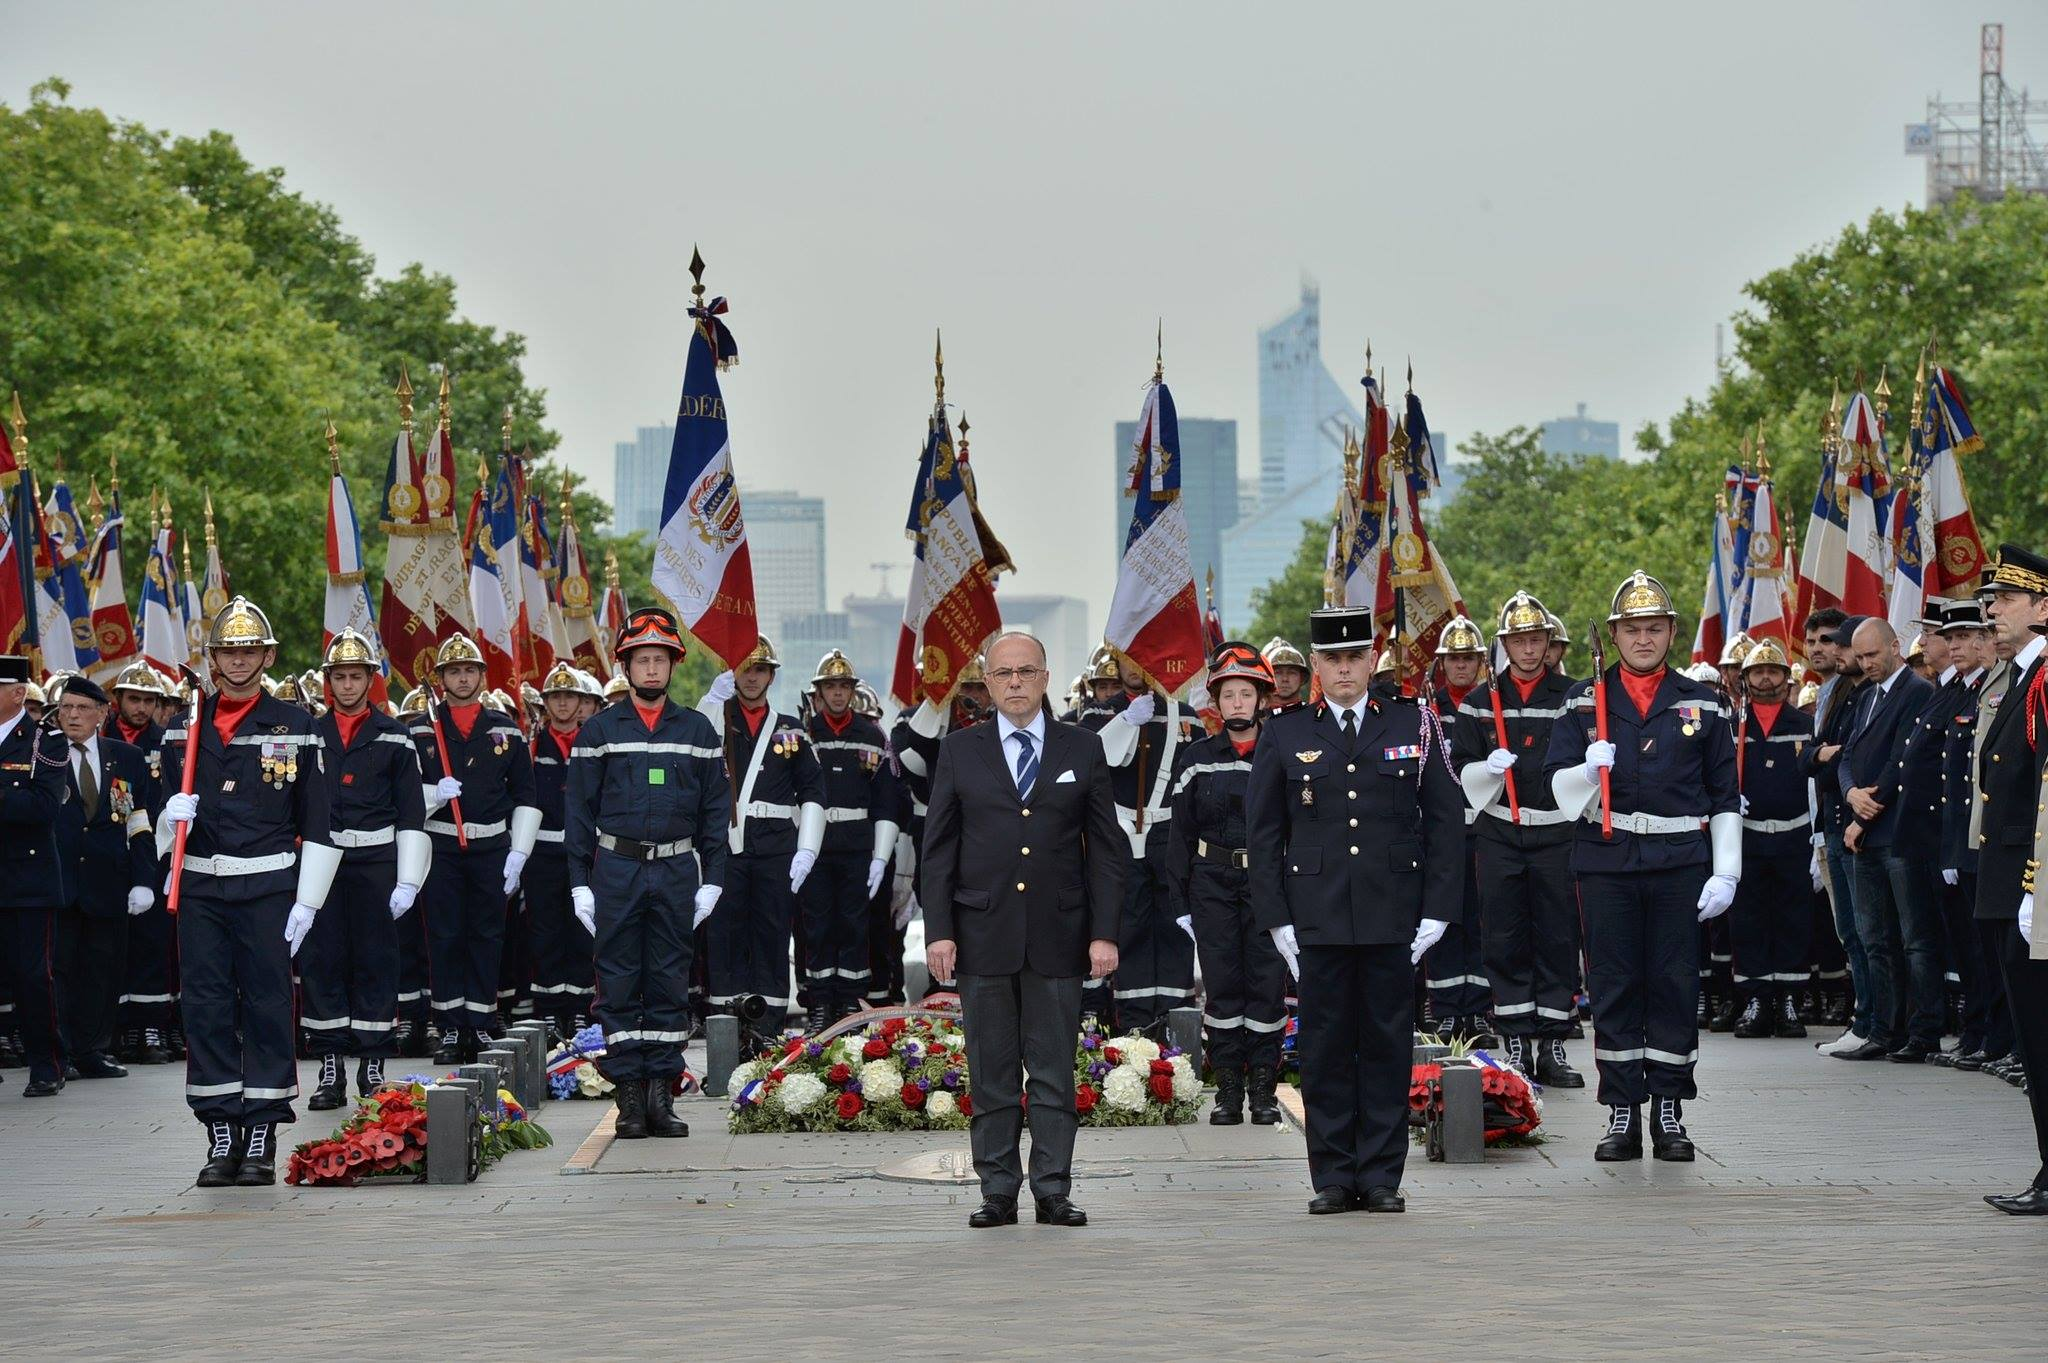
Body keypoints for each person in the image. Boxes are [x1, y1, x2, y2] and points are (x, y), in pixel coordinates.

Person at [1247, 606, 1464, 1214]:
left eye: (1354, 658)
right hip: (1315, 915)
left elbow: (1446, 819)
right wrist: (1276, 917)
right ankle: (1333, 1177)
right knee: (1325, 1047)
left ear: (1372, 660)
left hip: (1394, 912)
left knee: (1389, 1045)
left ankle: (1382, 1177)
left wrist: (1438, 911)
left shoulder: (1414, 723)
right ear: (1315, 665)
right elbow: (1264, 832)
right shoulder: (1285, 730)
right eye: (1332, 660)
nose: (1344, 670)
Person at [921, 630, 1122, 1229]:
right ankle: (999, 1191)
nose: (1014, 682)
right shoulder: (961, 751)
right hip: (983, 934)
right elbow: (938, 851)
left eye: (1025, 671)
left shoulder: (1081, 749)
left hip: (1060, 935)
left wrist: (1104, 932)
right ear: (986, 682)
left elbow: (1106, 852)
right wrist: (939, 931)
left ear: (1045, 677)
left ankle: (1054, 1190)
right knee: (992, 1073)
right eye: (1003, 673)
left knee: (1055, 1071)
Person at [1545, 571, 1740, 1162]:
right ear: (1615, 634)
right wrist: (1585, 769)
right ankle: (1624, 1108)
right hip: (1606, 863)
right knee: (1613, 984)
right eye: (1632, 629)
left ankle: (1671, 1107)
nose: (1644, 639)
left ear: (1672, 632)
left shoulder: (1702, 703)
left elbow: (1725, 796)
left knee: (1675, 984)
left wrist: (1726, 870)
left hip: (1679, 861)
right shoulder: (1582, 701)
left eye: (1654, 628)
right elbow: (1557, 791)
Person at [157, 597, 341, 1186]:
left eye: (249, 651)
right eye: (228, 651)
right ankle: (219, 1131)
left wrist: (308, 901)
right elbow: (160, 826)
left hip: (266, 884)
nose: (238, 661)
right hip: (203, 887)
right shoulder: (183, 728)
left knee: (266, 1003)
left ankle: (260, 1127)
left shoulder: (296, 725)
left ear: (267, 657)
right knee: (205, 1004)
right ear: (213, 658)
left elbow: (317, 820)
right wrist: (169, 816)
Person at [567, 607, 729, 1140]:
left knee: (667, 979)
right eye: (643, 660)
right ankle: (629, 1097)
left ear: (673, 666)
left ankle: (662, 1093)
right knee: (617, 980)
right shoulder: (598, 730)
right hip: (617, 868)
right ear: (628, 666)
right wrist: (578, 883)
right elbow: (578, 814)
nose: (652, 669)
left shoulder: (699, 730)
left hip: (677, 869)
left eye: (660, 659)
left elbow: (714, 812)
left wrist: (713, 879)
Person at [1454, 591, 1582, 1084]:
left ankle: (1551, 1043)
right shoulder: (1478, 702)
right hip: (1501, 831)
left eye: (1536, 640)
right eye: (1519, 641)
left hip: (1555, 832)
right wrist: (1485, 769)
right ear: (1504, 644)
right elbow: (1459, 768)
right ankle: (1513, 1041)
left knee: (1556, 934)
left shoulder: (1573, 695)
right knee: (1503, 935)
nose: (1528, 650)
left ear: (1549, 642)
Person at [304, 629, 428, 1108]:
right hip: (321, 860)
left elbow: (411, 810)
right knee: (322, 959)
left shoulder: (395, 736)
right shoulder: (309, 734)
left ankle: (373, 1061)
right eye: (340, 677)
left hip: (377, 859)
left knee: (378, 959)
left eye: (357, 676)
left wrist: (408, 879)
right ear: (328, 682)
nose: (349, 685)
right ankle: (330, 1063)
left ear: (371, 680)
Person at [1164, 641, 1286, 1125]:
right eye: (1228, 694)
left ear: (1261, 699)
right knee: (1222, 985)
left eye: (1245, 693)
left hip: (1267, 883)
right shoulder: (1196, 757)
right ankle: (1228, 1089)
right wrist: (1181, 900)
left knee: (1266, 984)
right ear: (1216, 702)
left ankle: (1263, 1090)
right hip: (1211, 883)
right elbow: (1179, 834)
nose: (1237, 703)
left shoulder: (1281, 752)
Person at [410, 633, 541, 1065]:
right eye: (453, 671)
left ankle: (481, 1021)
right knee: (445, 935)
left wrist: (519, 855)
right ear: (441, 678)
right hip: (442, 845)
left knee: (488, 935)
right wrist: (433, 793)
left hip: (490, 847)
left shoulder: (506, 730)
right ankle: (449, 1028)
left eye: (469, 670)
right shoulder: (423, 730)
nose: (462, 678)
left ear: (482, 677)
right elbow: (404, 796)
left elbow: (525, 796)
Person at [698, 637, 825, 1045]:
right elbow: (694, 750)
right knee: (724, 936)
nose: (751, 678)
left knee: (772, 936)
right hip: (726, 848)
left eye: (759, 670)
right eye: (744, 668)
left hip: (775, 849)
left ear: (771, 676)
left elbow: (813, 793)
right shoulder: (717, 718)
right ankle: (726, 1034)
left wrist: (807, 848)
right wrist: (710, 701)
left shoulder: (790, 729)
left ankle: (767, 1031)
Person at [1975, 546, 2048, 1214]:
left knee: (2042, 1037)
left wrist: (2034, 885)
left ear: (2043, 606)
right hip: (2014, 884)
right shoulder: (2019, 677)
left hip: (2034, 888)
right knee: (2034, 1038)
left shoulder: (2045, 678)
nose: (1992, 609)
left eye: (2006, 598)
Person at [1835, 618, 1940, 1061]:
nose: (1866, 663)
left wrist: (1864, 810)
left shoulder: (1916, 690)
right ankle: (1884, 1029)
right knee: (1874, 937)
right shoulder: (1864, 695)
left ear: (1896, 647)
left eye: (1873, 654)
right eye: (1860, 657)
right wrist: (1849, 792)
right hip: (1865, 833)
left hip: (1896, 833)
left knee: (1915, 938)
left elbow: (1904, 760)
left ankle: (1924, 1032)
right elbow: (1845, 754)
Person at [1092, 651, 1203, 1036]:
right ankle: (1136, 1032)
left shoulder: (1184, 714)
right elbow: (1090, 763)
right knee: (1130, 928)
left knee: (1174, 928)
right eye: (1127, 658)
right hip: (1120, 835)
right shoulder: (1099, 715)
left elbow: (1196, 781)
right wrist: (1124, 722)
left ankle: (1176, 1030)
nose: (1134, 667)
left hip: (1170, 832)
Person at [50, 676, 155, 1081]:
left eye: (81, 708)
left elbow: (138, 819)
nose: (72, 716)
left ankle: (92, 1050)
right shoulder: (46, 754)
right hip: (57, 882)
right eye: (65, 708)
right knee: (59, 971)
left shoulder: (125, 757)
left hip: (109, 880)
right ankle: (59, 1054)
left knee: (102, 968)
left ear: (101, 714)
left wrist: (144, 878)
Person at [799, 650, 900, 1031]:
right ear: (819, 692)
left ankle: (851, 1007)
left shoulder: (872, 735)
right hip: (818, 850)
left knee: (855, 927)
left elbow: (886, 799)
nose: (838, 694)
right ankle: (821, 1004)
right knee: (818, 927)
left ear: (852, 691)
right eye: (831, 687)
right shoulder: (807, 734)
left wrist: (880, 857)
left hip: (857, 848)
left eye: (844, 686)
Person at [1725, 640, 1817, 1038]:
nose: (1766, 677)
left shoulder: (1804, 725)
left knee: (1794, 917)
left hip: (1794, 835)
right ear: (1744, 679)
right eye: (1757, 672)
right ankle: (1757, 998)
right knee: (1748, 919)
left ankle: (1789, 999)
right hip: (1747, 838)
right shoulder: (1731, 726)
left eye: (1774, 671)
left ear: (1786, 678)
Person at [1936, 600, 2011, 1071]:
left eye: (1968, 636)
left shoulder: (1997, 689)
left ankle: (2000, 1039)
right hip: (1965, 839)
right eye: (1952, 638)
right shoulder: (1967, 693)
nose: (1957, 645)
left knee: (1995, 952)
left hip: (1991, 840)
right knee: (1973, 947)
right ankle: (1983, 1033)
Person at [1803, 611, 1871, 1053]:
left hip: (1854, 825)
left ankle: (1871, 1021)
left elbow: (1845, 755)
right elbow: (1808, 759)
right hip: (1829, 825)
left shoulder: (1858, 691)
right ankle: (1865, 1017)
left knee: (1866, 932)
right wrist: (1816, 755)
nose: (1822, 649)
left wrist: (1820, 757)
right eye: (1814, 641)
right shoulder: (1828, 691)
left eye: (1832, 641)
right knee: (1848, 930)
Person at [1424, 615, 1493, 1043]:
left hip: (1486, 828)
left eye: (1469, 658)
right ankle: (1447, 1008)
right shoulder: (1426, 710)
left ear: (1481, 662)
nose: (1462, 667)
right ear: (1442, 664)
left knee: (1483, 921)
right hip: (1443, 831)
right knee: (1445, 919)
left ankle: (1481, 1010)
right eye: (1454, 659)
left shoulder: (1491, 705)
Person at [103, 662, 172, 1065]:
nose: (142, 707)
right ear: (118, 701)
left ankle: (149, 1027)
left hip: (155, 850)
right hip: (110, 853)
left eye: (149, 700)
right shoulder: (101, 738)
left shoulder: (166, 742)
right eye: (134, 698)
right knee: (110, 945)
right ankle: (113, 1027)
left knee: (151, 943)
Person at [526, 662, 595, 1039]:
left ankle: (581, 1009)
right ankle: (551, 1011)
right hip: (542, 854)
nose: (564, 703)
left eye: (570, 696)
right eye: (556, 696)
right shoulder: (533, 746)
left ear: (581, 701)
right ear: (547, 703)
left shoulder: (593, 743)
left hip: (584, 852)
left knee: (582, 933)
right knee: (546, 931)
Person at [1261, 637, 1310, 716]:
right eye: (1278, 673)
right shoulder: (1254, 718)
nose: (1285, 679)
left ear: (1302, 678)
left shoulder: (1312, 716)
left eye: (1292, 672)